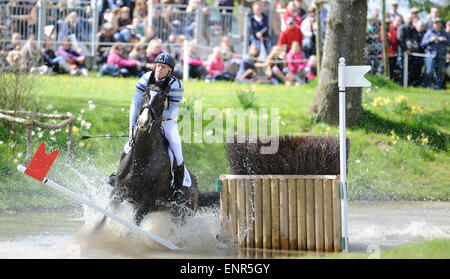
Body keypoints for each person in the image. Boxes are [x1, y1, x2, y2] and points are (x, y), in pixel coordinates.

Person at [128, 53, 186, 189]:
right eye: (158, 65)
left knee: (177, 153)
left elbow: (172, 110)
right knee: (128, 146)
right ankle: (119, 174)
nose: (159, 69)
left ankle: (178, 188)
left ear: (170, 70)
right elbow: (135, 102)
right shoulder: (147, 77)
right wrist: (131, 126)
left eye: (164, 67)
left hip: (167, 121)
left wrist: (154, 117)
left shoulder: (175, 85)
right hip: (145, 117)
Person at [421, 17, 449, 90]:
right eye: (436, 23)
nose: (437, 25)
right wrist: (430, 40)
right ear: (433, 24)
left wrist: (444, 40)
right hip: (430, 55)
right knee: (429, 71)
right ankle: (426, 86)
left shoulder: (445, 34)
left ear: (441, 24)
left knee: (439, 73)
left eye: (439, 23)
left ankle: (437, 87)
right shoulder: (429, 33)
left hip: (441, 55)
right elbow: (422, 43)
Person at [397, 14, 420, 86]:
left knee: (409, 70)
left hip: (411, 54)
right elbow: (400, 39)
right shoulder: (402, 27)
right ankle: (401, 84)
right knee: (403, 70)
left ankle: (407, 84)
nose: (410, 20)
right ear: (406, 19)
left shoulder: (413, 29)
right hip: (403, 53)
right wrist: (406, 49)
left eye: (411, 19)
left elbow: (416, 40)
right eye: (409, 18)